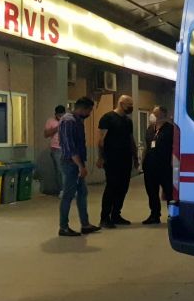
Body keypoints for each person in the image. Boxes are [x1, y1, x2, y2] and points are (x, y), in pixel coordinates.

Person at [58, 97, 101, 237]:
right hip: (71, 163)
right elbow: (70, 147)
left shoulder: (77, 121)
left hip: (76, 163)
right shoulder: (68, 121)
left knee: (82, 193)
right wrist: (80, 166)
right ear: (83, 108)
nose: (89, 113)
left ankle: (85, 224)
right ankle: (63, 227)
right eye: (89, 110)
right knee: (68, 195)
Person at [97, 95, 139, 228]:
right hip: (112, 159)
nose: (131, 107)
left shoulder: (128, 121)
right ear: (121, 103)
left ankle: (116, 214)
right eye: (129, 105)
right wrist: (100, 157)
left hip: (125, 159)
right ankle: (104, 218)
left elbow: (131, 139)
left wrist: (135, 157)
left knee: (123, 187)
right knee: (111, 187)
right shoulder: (107, 118)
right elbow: (101, 140)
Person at [142, 106, 174, 224]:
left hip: (165, 166)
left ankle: (173, 215)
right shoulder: (150, 129)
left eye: (155, 113)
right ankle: (154, 215)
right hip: (150, 166)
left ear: (162, 114)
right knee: (152, 192)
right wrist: (142, 161)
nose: (152, 115)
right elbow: (147, 146)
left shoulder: (170, 129)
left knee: (169, 192)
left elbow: (175, 147)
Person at [44, 105, 66, 196]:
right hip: (56, 149)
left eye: (62, 115)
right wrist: (57, 127)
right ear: (55, 114)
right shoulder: (50, 121)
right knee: (60, 170)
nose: (60, 117)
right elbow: (46, 134)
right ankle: (62, 190)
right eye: (59, 115)